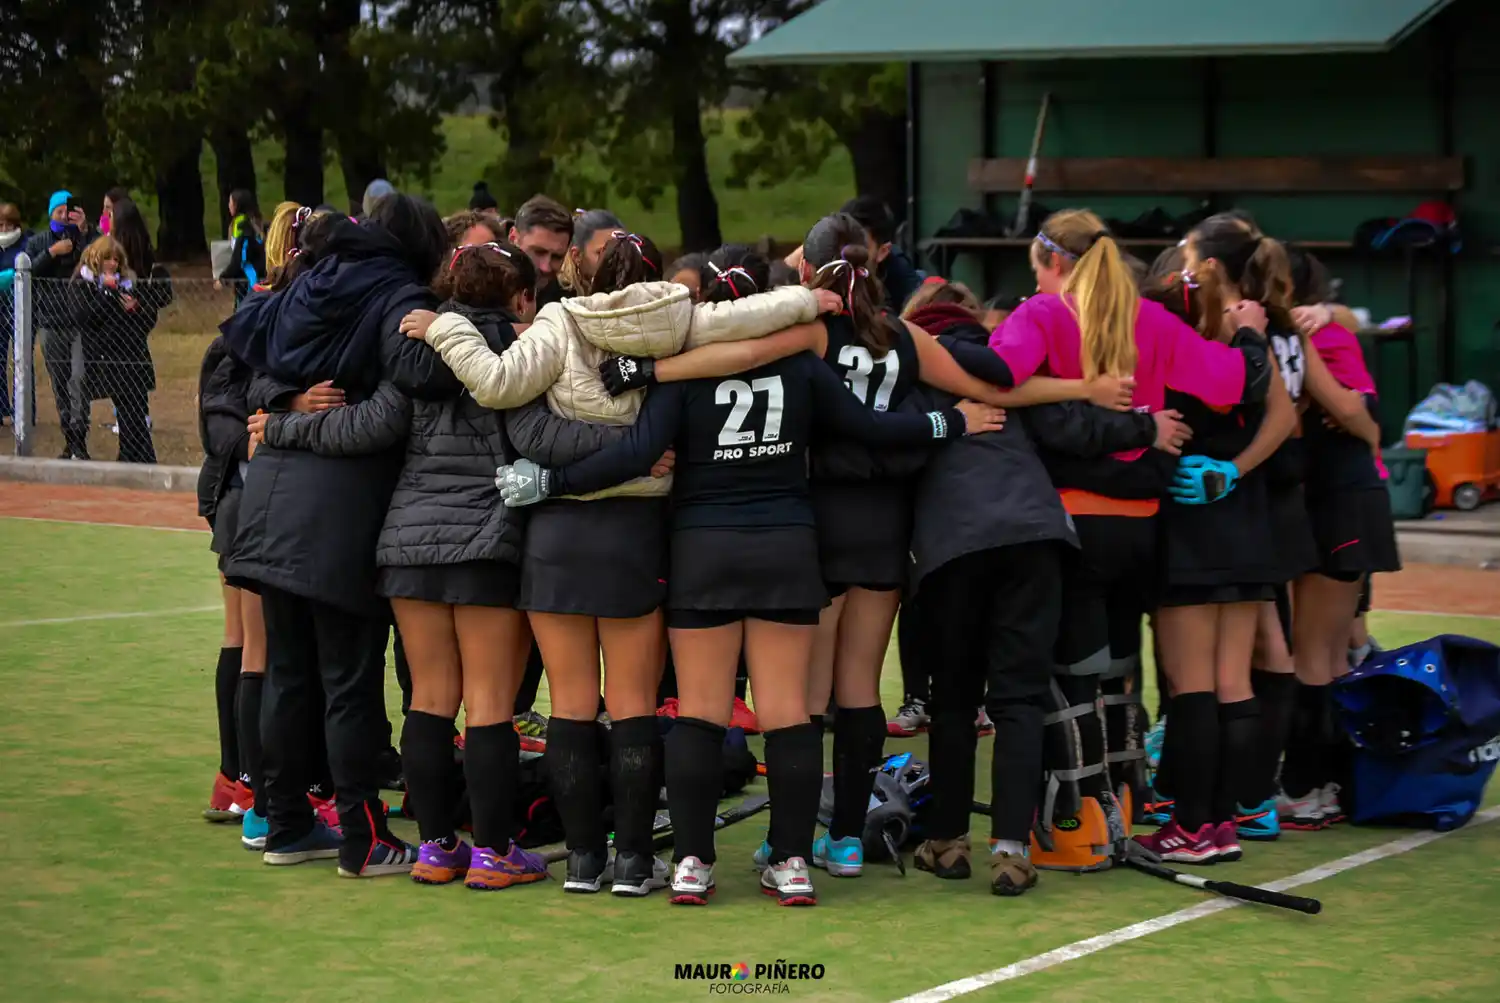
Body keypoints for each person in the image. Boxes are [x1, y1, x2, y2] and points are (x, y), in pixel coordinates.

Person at [491, 309, 1003, 907]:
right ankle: (790, 862)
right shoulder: (804, 369)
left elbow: (634, 454)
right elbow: (871, 428)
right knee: (787, 713)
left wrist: (551, 483)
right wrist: (950, 422)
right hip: (785, 547)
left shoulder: (680, 374)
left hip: (703, 551)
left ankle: (691, 863)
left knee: (701, 714)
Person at [401, 230, 835, 896]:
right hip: (635, 533)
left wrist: (444, 327)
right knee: (634, 703)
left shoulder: (559, 318)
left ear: (578, 270)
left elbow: (498, 388)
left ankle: (581, 861)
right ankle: (633, 860)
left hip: (556, 535)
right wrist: (811, 300)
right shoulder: (673, 323)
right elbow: (746, 322)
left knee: (571, 704)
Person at [253, 241, 570, 890]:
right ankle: (494, 850)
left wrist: (281, 427)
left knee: (428, 697)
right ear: (515, 296)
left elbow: (368, 426)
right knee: (489, 702)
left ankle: (433, 845)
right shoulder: (522, 349)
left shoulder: (414, 350)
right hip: (486, 538)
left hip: (407, 539)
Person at [220, 195, 458, 879]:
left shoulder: (311, 281)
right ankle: (361, 835)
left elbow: (251, 363)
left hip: (271, 503)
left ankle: (286, 820)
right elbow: (399, 403)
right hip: (337, 511)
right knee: (349, 681)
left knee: (289, 674)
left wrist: (283, 412)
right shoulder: (396, 297)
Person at [1114, 228, 1290, 865]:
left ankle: (1193, 826)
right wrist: (1237, 468)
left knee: (1191, 688)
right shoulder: (1247, 351)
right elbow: (1274, 407)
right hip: (1244, 523)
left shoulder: (1178, 354)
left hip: (1191, 528)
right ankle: (1226, 821)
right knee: (1232, 683)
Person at [1278, 248, 1400, 829]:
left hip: (1342, 507)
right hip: (1334, 505)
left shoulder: (1321, 337)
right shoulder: (1310, 332)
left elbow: (1363, 417)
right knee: (1324, 655)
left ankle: (1305, 789)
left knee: (1316, 655)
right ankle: (1325, 786)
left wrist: (1314, 351)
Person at [196, 334, 264, 840]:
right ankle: (246, 781)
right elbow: (221, 428)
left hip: (237, 499)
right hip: (246, 500)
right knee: (253, 645)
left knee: (241, 638)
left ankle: (235, 778)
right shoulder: (243, 344)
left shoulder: (243, 336)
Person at [66, 233, 158, 463]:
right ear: (96, 258)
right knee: (127, 407)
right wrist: (106, 293)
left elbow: (146, 321)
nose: (113, 265)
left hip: (131, 354)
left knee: (135, 409)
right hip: (103, 356)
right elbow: (85, 318)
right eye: (108, 259)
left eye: (116, 260)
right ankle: (135, 458)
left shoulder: (127, 283)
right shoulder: (81, 284)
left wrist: (135, 308)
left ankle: (137, 457)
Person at [26, 190, 94, 459]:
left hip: (80, 322)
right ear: (51, 213)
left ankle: (81, 437)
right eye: (59, 212)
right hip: (51, 322)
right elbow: (28, 270)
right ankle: (70, 441)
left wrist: (85, 232)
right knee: (60, 383)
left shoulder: (85, 237)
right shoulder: (39, 242)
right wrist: (52, 253)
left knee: (80, 380)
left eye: (69, 211)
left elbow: (103, 256)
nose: (65, 217)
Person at [0, 202, 34, 425]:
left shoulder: (26, 243)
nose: (4, 230)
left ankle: (25, 412)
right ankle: (3, 408)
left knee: (22, 360)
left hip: (22, 308)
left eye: (8, 225)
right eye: (0, 225)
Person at [508, 195, 573, 306]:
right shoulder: (479, 291)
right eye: (538, 252)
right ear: (513, 238)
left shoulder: (567, 305)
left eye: (557, 257)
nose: (546, 267)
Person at [557, 209, 625, 302]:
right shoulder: (557, 299)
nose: (616, 259)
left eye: (621, 251)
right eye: (602, 252)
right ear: (576, 256)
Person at [218, 189, 267, 306]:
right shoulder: (254, 221)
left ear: (237, 204)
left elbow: (239, 255)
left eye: (230, 202)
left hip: (249, 277)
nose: (228, 205)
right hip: (256, 274)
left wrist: (224, 276)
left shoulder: (240, 225)